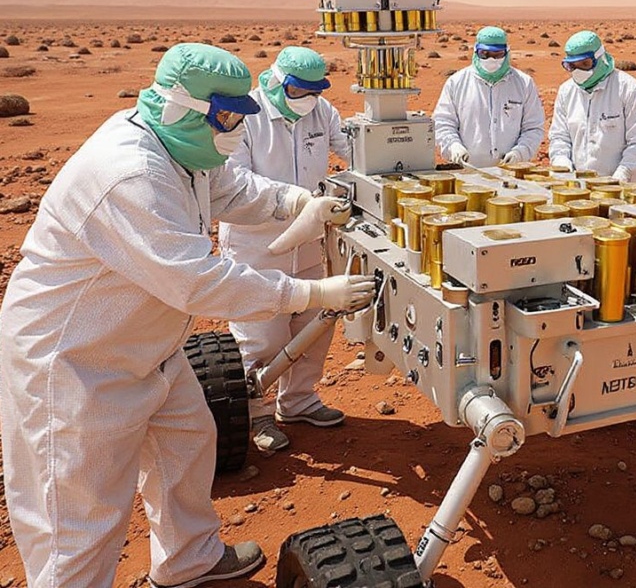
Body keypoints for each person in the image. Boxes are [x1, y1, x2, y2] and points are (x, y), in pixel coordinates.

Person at [0, 43, 375, 588]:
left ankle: (188, 560)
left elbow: (232, 187)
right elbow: (200, 282)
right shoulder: (130, 174)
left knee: (188, 440)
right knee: (78, 519)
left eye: (239, 117)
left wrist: (296, 203)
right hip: (79, 362)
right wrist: (311, 293)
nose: (234, 131)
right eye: (225, 118)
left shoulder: (182, 149)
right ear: (182, 106)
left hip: (145, 344)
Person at [219, 46, 352, 454]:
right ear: (275, 82)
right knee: (262, 334)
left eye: (316, 90)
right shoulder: (247, 117)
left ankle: (299, 402)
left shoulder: (320, 111)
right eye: (299, 90)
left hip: (311, 243)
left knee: (313, 325)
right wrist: (297, 200)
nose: (308, 99)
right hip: (257, 245)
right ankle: (258, 413)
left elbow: (351, 149)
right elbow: (234, 180)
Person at [548, 30, 636, 182]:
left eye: (585, 64)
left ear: (599, 57)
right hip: (577, 187)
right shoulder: (567, 91)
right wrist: (562, 165)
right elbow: (559, 136)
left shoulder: (628, 89)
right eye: (572, 66)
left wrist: (623, 174)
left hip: (621, 187)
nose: (579, 71)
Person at [433, 25, 544, 167]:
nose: (491, 59)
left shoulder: (523, 83)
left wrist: (520, 153)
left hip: (512, 173)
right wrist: (453, 146)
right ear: (475, 51)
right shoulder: (457, 82)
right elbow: (443, 123)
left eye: (497, 54)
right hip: (468, 172)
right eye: (485, 54)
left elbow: (533, 127)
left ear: (507, 52)